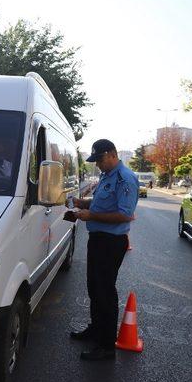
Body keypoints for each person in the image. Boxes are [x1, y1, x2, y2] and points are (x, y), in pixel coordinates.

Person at [69, 139, 139, 361]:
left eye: (99, 159)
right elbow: (101, 204)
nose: (97, 164)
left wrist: (91, 216)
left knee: (105, 292)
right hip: (98, 239)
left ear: (111, 154)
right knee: (94, 288)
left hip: (111, 242)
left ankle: (106, 346)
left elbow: (124, 214)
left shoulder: (125, 178)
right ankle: (96, 330)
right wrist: (83, 203)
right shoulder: (106, 176)